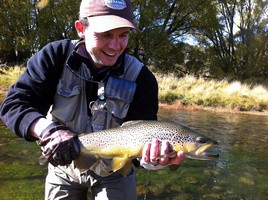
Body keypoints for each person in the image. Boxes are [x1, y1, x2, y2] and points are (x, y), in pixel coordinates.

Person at [0, 0, 184, 199]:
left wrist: (155, 160)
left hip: (114, 172)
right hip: (63, 166)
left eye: (123, 35)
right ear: (81, 29)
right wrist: (48, 131)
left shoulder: (142, 78)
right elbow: (14, 105)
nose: (115, 46)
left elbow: (141, 152)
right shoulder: (55, 56)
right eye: (105, 34)